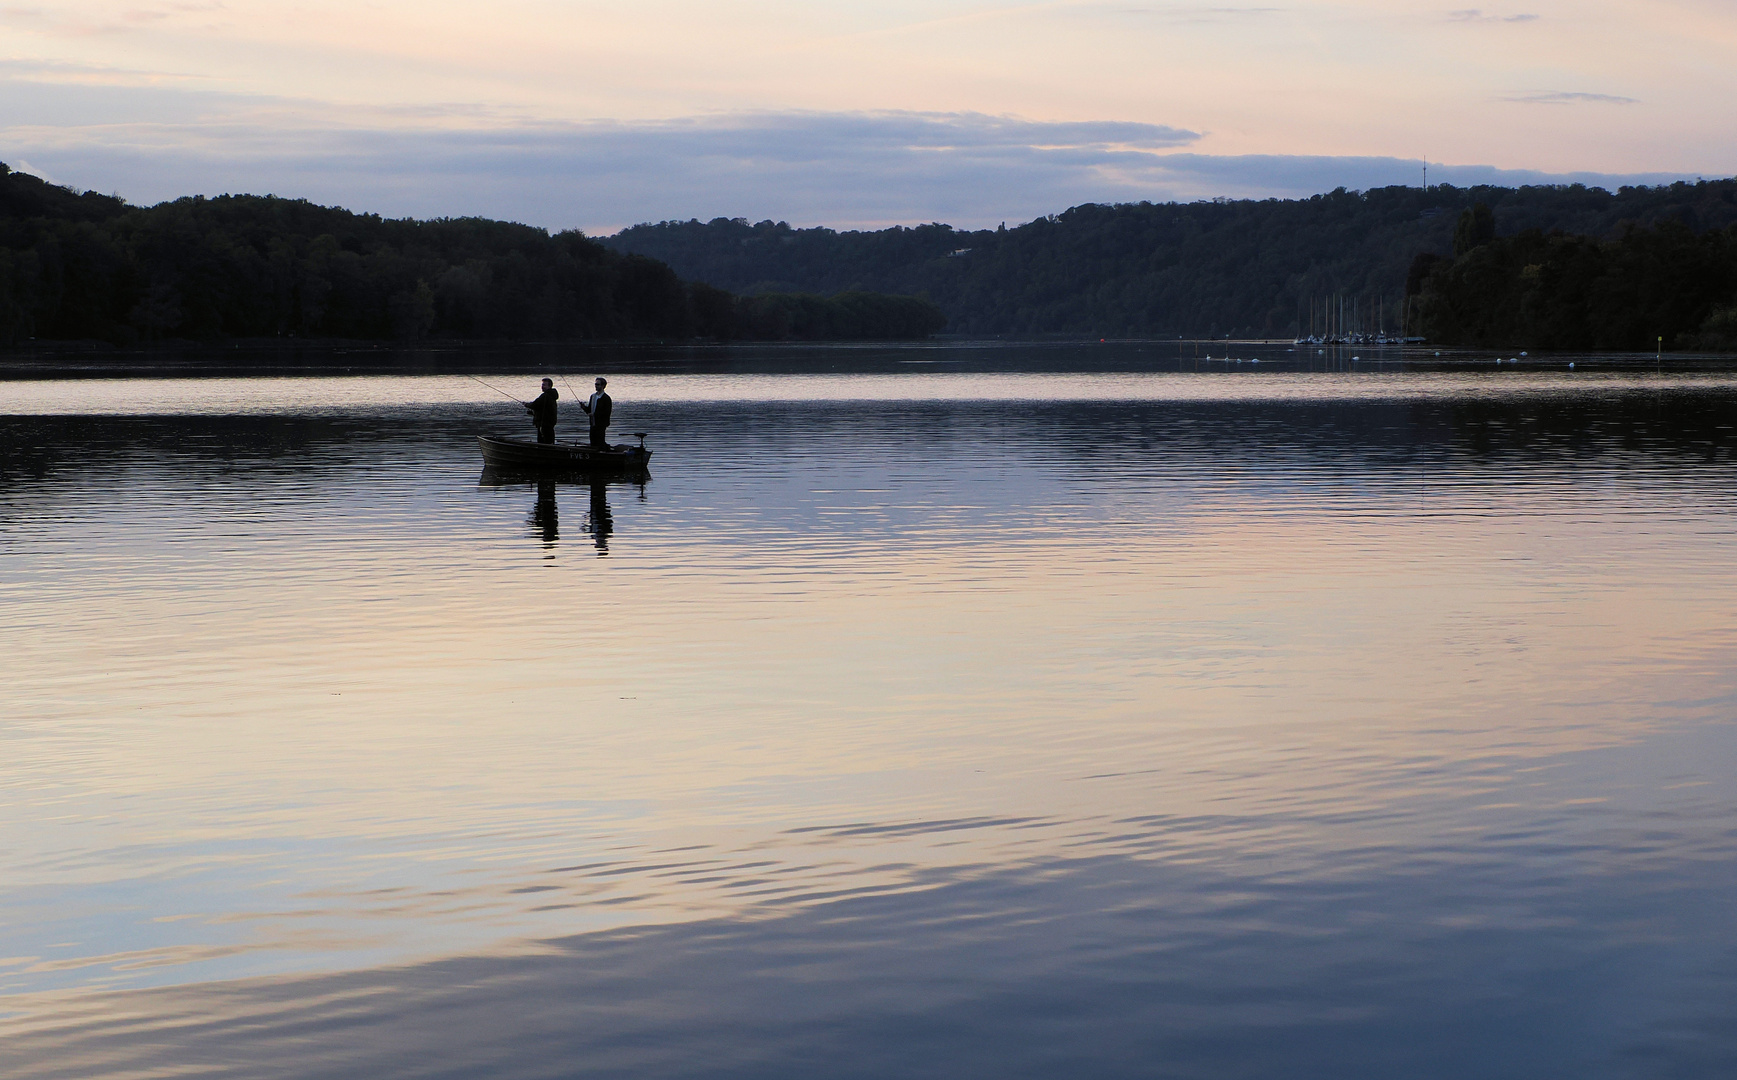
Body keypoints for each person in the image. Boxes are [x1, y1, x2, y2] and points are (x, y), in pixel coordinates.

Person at [580, 377, 612, 449]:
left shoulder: (606, 398)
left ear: (603, 386)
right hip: (592, 424)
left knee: (600, 443)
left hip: (601, 425)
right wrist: (584, 407)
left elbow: (606, 413)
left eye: (598, 384)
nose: (596, 386)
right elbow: (589, 410)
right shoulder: (593, 396)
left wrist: (594, 414)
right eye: (595, 384)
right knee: (593, 442)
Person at [525, 378, 558, 443]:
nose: (542, 387)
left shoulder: (545, 396)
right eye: (542, 385)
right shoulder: (552, 396)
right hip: (549, 424)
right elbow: (544, 410)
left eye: (544, 385)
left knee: (544, 443)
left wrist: (526, 404)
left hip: (544, 425)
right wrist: (534, 413)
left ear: (549, 386)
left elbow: (535, 405)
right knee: (550, 442)